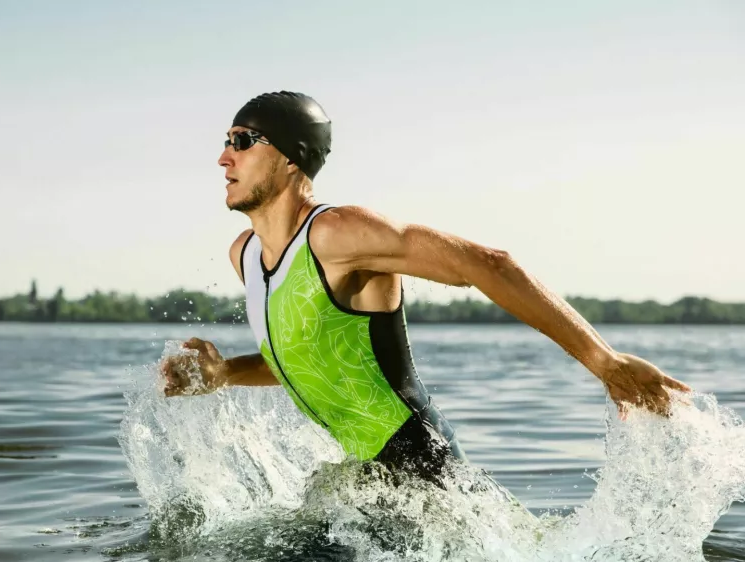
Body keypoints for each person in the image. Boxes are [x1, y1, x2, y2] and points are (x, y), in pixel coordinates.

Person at [161, 91, 691, 483]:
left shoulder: (337, 232)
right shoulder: (247, 256)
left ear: (291, 156)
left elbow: (488, 264)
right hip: (368, 483)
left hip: (422, 476)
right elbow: (313, 357)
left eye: (242, 141)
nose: (224, 157)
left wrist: (604, 362)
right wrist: (225, 373)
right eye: (225, 142)